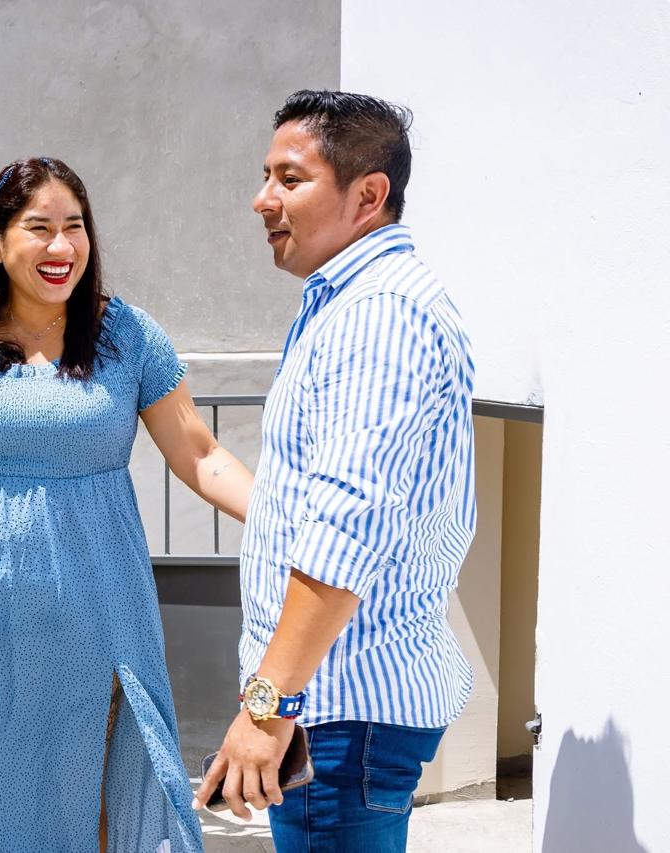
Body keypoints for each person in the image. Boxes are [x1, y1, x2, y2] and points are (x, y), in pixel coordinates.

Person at [0, 157, 253, 852]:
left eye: (74, 227)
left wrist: (287, 518)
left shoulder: (126, 335)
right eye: (39, 227)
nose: (62, 246)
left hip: (96, 607)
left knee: (90, 784)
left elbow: (199, 453)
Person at [194, 91, 476, 853]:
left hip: (338, 712)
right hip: (332, 707)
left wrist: (267, 708)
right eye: (266, 176)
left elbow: (347, 527)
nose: (263, 199)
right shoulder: (344, 301)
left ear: (368, 195)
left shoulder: (380, 313)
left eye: (290, 179)